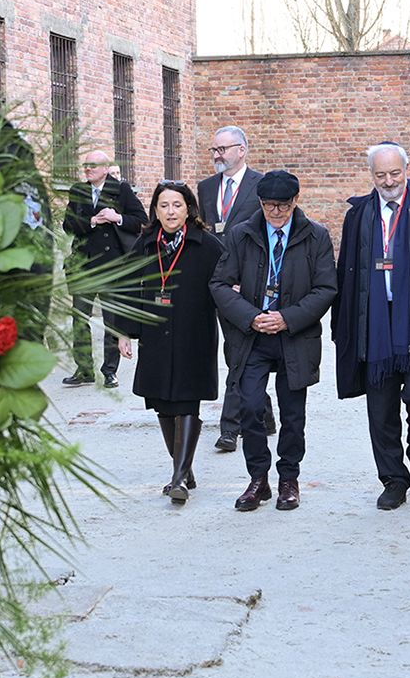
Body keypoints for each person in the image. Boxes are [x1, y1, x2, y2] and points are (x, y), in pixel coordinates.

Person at [331, 141, 410, 510]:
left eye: (394, 173)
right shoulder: (358, 213)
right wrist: (341, 327)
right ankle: (393, 478)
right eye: (380, 174)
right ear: (371, 175)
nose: (388, 181)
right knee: (380, 409)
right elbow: (347, 272)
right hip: (374, 324)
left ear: (407, 170)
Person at [211, 170, 337, 512]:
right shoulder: (242, 234)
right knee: (250, 406)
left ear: (295, 202)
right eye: (268, 206)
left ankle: (288, 479)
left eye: (282, 206)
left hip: (295, 336)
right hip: (253, 335)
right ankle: (258, 478)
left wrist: (288, 317)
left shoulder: (316, 236)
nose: (275, 213)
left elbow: (326, 288)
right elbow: (220, 284)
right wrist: (251, 317)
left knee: (293, 414)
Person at [111, 180, 221, 503]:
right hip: (154, 335)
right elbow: (125, 289)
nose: (170, 212)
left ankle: (178, 479)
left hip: (193, 335)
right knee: (162, 403)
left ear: (189, 209)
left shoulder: (208, 245)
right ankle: (183, 468)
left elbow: (227, 285)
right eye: (164, 206)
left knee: (187, 400)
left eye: (177, 205)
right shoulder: (144, 244)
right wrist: (122, 332)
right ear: (155, 211)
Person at [196, 126, 275, 452]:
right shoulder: (205, 188)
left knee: (238, 353)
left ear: (242, 149)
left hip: (246, 283)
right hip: (215, 281)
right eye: (214, 149)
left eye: (223, 149)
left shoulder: (261, 185)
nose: (217, 155)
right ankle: (264, 413)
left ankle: (230, 427)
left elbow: (268, 236)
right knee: (237, 352)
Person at [62, 149, 146, 388]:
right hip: (84, 265)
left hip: (112, 266)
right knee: (79, 318)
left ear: (106, 168)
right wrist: (91, 221)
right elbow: (67, 224)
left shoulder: (121, 190)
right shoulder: (78, 191)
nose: (88, 169)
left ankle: (110, 370)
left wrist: (117, 217)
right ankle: (84, 369)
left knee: (112, 321)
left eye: (93, 165)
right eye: (85, 165)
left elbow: (140, 220)